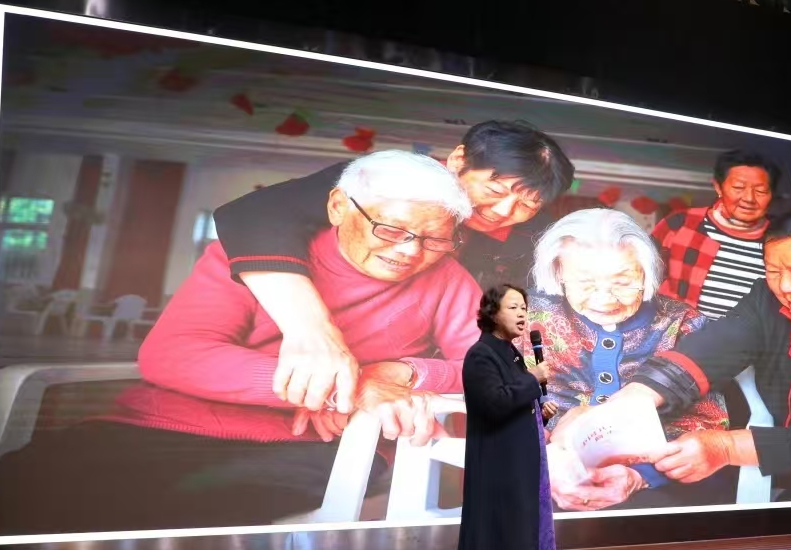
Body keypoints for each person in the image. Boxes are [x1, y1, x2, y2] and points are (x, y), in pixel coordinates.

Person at [0, 151, 482, 534]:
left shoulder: (446, 278)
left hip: (322, 448)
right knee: (16, 490)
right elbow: (174, 354)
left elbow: (497, 365)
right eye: (391, 229)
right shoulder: (257, 255)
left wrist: (402, 372)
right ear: (338, 206)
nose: (409, 251)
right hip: (163, 425)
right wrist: (342, 389)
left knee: (174, 516)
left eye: (435, 239)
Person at [211, 119, 575, 417]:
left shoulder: (533, 239)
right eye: (494, 192)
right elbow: (254, 214)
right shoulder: (382, 181)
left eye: (528, 204)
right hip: (307, 361)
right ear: (458, 160)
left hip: (422, 383)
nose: (503, 212)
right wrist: (312, 332)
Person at [594, 208, 791, 502]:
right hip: (779, 474)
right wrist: (633, 399)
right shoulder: (765, 298)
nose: (785, 287)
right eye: (773, 271)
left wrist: (727, 448)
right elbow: (716, 346)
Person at [523, 208, 733, 511]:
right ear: (558, 273)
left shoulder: (684, 323)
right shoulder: (526, 315)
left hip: (657, 477)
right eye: (585, 283)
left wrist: (642, 474)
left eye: (623, 282)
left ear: (647, 274)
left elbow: (708, 420)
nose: (605, 299)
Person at [457, 285, 559, 550]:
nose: (522, 314)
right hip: (495, 472)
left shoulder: (511, 353)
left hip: (514, 468)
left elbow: (511, 402)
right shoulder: (481, 355)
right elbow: (493, 404)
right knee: (494, 549)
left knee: (507, 548)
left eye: (524, 308)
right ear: (491, 312)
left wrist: (537, 411)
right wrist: (533, 379)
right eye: (513, 307)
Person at [652, 149, 780, 319]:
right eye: (738, 187)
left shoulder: (781, 238)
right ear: (718, 186)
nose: (749, 198)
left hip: (750, 336)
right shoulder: (680, 224)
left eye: (761, 191)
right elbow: (639, 275)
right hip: (676, 333)